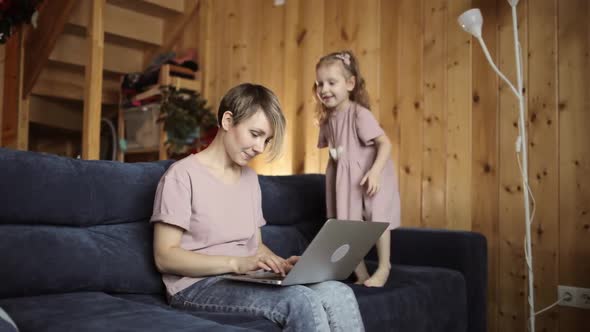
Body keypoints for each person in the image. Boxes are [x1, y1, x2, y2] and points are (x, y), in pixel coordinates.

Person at [151, 83, 365, 331]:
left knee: (338, 292)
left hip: (240, 278)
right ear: (228, 121)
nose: (260, 148)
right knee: (300, 301)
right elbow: (164, 256)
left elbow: (255, 244)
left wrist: (279, 264)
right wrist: (236, 264)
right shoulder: (181, 176)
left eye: (267, 139)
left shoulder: (250, 179)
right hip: (194, 287)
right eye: (255, 134)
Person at [314, 51, 401, 287]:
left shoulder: (359, 115)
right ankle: (360, 274)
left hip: (370, 173)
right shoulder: (327, 119)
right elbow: (334, 149)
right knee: (345, 225)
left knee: (376, 219)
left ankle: (384, 268)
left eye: (332, 83)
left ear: (350, 83)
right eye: (320, 84)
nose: (324, 89)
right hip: (344, 177)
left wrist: (374, 172)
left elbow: (385, 143)